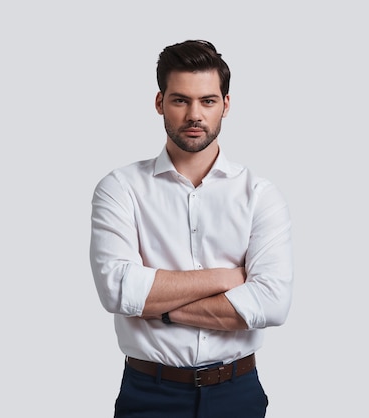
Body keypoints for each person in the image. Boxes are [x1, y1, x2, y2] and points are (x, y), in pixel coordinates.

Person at [89, 39, 293, 418]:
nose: (194, 114)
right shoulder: (121, 189)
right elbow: (117, 290)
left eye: (208, 101)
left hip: (237, 393)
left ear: (226, 106)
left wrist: (158, 308)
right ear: (159, 103)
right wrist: (226, 278)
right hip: (149, 394)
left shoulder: (260, 196)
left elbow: (271, 303)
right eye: (180, 100)